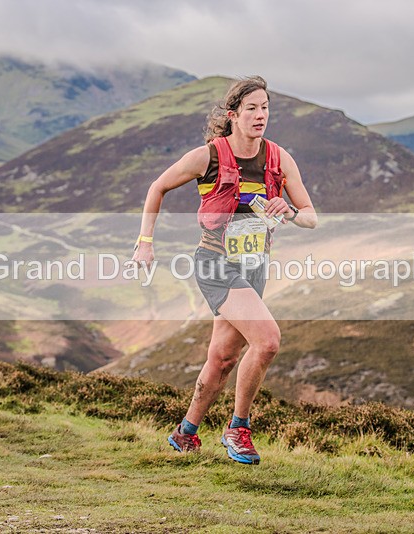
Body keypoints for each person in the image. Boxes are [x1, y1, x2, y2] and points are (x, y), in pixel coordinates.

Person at [132, 76, 317, 464]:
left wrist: (292, 211)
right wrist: (145, 243)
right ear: (232, 115)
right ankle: (239, 428)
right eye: (251, 108)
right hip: (216, 264)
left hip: (254, 267)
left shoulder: (279, 159)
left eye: (265, 107)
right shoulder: (209, 156)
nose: (260, 115)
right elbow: (157, 187)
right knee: (267, 341)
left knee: (223, 358)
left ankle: (185, 434)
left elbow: (312, 218)